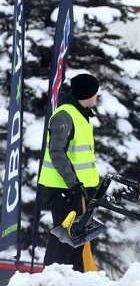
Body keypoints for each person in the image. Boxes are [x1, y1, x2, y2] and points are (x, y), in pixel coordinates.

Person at [38, 73, 100, 272]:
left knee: (76, 237)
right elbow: (56, 152)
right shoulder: (65, 115)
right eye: (95, 93)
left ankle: (74, 279)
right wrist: (73, 184)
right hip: (65, 188)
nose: (96, 97)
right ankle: (52, 279)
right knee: (64, 237)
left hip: (79, 188)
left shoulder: (80, 114)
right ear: (87, 94)